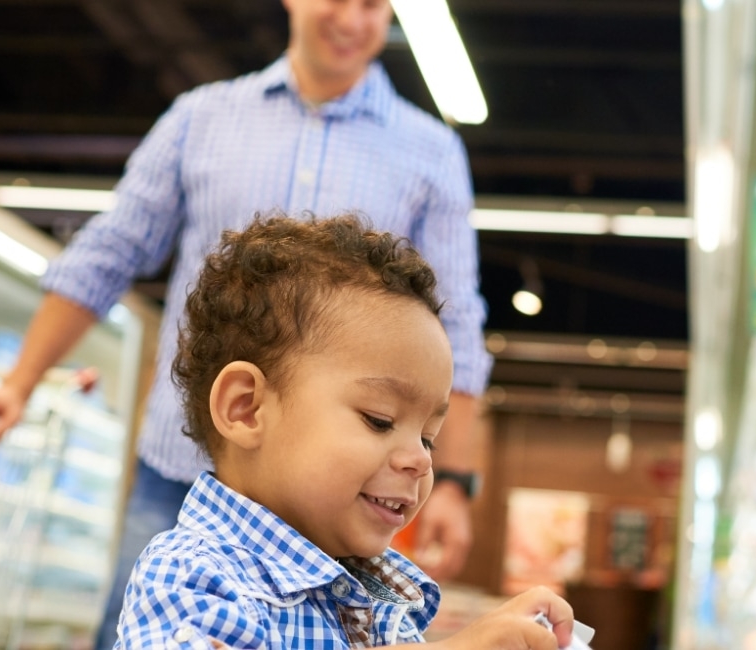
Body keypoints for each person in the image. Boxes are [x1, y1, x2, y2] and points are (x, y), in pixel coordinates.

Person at [0, 0, 491, 646]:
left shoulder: (431, 153)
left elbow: (456, 323)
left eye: (376, 4)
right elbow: (110, 251)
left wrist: (455, 480)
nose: (355, 17)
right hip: (178, 470)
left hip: (327, 513)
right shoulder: (201, 118)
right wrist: (19, 381)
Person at [115, 213, 572, 649]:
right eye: (380, 420)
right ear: (246, 408)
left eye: (428, 437)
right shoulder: (191, 573)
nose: (421, 459)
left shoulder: (378, 597)